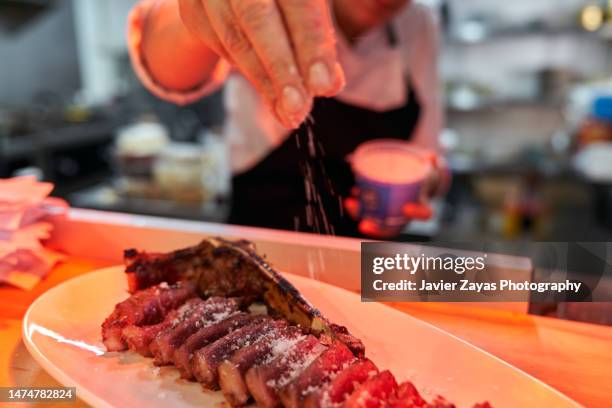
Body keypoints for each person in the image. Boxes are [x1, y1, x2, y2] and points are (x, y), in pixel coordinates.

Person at [128, 0, 448, 237]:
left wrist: (422, 184)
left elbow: (431, 159)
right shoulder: (275, 9)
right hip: (262, 243)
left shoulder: (418, 23)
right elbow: (165, 67)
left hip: (366, 263)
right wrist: (196, 17)